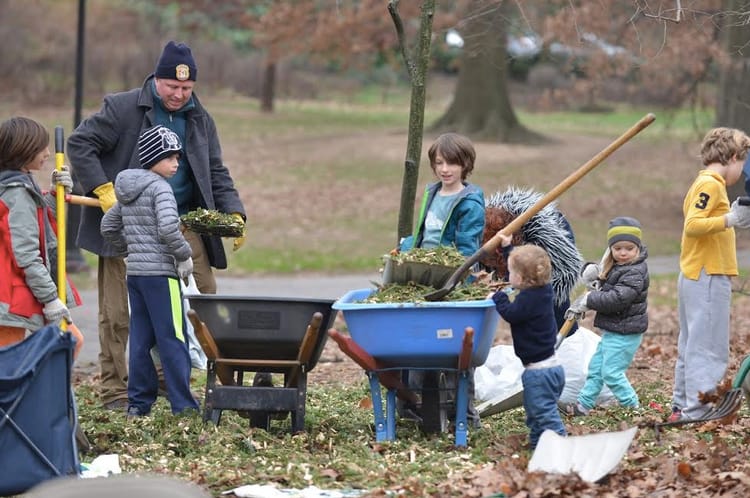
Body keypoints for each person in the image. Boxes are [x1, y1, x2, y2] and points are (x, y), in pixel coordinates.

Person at [67, 40, 247, 410]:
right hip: (128, 224)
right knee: (118, 314)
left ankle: (172, 381)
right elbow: (80, 143)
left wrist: (235, 214)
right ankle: (116, 391)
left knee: (201, 305)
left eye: (187, 88)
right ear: (157, 79)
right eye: (172, 86)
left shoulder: (200, 119)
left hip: (182, 225)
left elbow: (215, 171)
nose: (179, 94)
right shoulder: (122, 108)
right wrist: (103, 188)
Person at [101, 125, 199, 417]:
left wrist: (128, 250)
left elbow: (108, 226)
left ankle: (139, 404)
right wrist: (184, 256)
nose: (176, 163)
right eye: (170, 157)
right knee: (173, 338)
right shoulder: (160, 189)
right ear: (153, 158)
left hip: (137, 277)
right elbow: (169, 227)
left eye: (178, 158)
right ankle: (184, 406)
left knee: (141, 341)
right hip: (162, 276)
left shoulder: (128, 190)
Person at [396, 132, 485, 427]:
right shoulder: (432, 193)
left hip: (452, 282)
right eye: (439, 163)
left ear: (466, 165)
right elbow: (425, 235)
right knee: (415, 339)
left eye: (452, 164)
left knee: (455, 348)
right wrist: (406, 248)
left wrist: (456, 276)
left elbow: (467, 249)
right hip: (424, 278)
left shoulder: (469, 203)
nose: (445, 169)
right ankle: (412, 404)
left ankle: (465, 412)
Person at [669, 127, 750, 422]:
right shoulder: (711, 184)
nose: (741, 174)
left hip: (696, 273)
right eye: (742, 165)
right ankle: (698, 409)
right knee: (709, 347)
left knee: (691, 344)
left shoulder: (705, 183)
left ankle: (682, 406)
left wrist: (731, 216)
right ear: (731, 157)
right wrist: (730, 218)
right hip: (707, 276)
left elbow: (706, 222)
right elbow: (693, 224)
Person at [0, 116, 81, 346]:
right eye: (41, 148)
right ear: (24, 150)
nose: (47, 153)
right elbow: (26, 253)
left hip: (19, 291)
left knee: (71, 341)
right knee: (9, 366)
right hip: (10, 294)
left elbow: (44, 222)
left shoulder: (22, 183)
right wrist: (51, 298)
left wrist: (57, 193)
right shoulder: (17, 192)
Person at [565, 216, 649, 416]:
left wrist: (590, 300)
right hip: (613, 330)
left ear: (637, 248)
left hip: (626, 333)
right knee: (596, 370)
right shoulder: (617, 267)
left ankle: (634, 408)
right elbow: (607, 287)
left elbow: (618, 299)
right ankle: (583, 406)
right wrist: (594, 278)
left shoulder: (635, 273)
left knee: (611, 373)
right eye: (618, 248)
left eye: (629, 248)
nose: (623, 252)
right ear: (610, 248)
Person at [489, 235, 566, 449]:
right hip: (551, 369)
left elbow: (511, 314)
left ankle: (560, 447)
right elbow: (521, 268)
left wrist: (498, 297)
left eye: (511, 273)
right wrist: (508, 249)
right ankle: (537, 445)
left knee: (543, 413)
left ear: (522, 279)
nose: (508, 275)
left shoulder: (526, 300)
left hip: (539, 373)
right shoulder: (542, 290)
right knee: (535, 412)